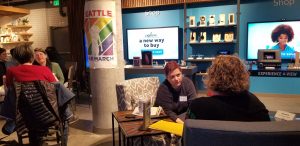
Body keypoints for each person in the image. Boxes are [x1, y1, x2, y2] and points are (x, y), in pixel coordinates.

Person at [186, 55, 270, 121]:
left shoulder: (197, 107)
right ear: (243, 76)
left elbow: (186, 137)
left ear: (212, 76)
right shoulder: (257, 106)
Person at [4, 45, 57, 146]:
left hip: (23, 115)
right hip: (47, 112)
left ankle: (11, 123)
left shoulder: (11, 71)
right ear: (32, 57)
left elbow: (10, 91)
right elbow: (54, 89)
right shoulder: (44, 70)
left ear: (15, 59)